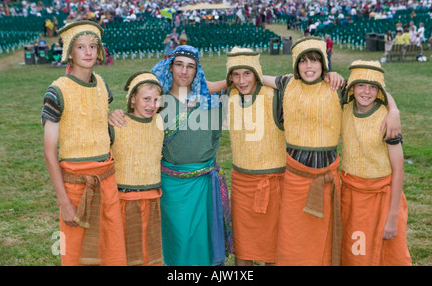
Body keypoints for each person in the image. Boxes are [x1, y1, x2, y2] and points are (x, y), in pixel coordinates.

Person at [262, 36, 401, 266]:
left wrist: (393, 108)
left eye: (315, 61)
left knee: (324, 242)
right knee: (293, 241)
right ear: (296, 64)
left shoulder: (337, 87)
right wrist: (222, 83)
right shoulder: (287, 83)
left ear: (324, 64)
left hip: (327, 179)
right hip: (296, 179)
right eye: (303, 61)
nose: (309, 66)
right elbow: (255, 79)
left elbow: (370, 86)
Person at [108, 45, 233, 266]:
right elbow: (136, 114)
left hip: (204, 183)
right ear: (170, 67)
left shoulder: (211, 100)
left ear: (197, 71)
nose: (184, 72)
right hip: (170, 186)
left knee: (203, 243)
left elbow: (243, 82)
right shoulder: (158, 103)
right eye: (179, 65)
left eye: (190, 67)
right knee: (176, 241)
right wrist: (115, 113)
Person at [42, 20, 127, 266]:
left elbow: (98, 125)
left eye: (93, 46)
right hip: (76, 186)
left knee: (111, 252)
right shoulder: (57, 91)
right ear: (70, 51)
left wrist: (112, 118)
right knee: (77, 255)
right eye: (81, 47)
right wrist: (64, 202)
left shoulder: (102, 84)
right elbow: (49, 152)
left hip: (107, 181)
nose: (88, 52)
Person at [340, 60, 412, 266]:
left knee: (390, 256)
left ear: (379, 90)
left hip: (383, 198)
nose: (366, 91)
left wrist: (392, 217)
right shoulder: (344, 109)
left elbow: (398, 170)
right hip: (353, 197)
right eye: (361, 85)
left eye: (373, 87)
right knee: (356, 254)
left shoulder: (387, 118)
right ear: (352, 87)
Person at [223, 47, 286, 266]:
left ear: (257, 73)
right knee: (244, 247)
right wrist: (226, 83)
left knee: (273, 248)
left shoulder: (275, 96)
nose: (241, 80)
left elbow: (300, 81)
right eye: (235, 74)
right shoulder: (228, 95)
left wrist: (391, 107)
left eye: (247, 73)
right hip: (242, 183)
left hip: (275, 182)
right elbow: (190, 88)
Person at [109, 71, 164, 266]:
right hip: (125, 201)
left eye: (157, 99)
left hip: (152, 199)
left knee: (151, 254)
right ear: (133, 99)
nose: (152, 105)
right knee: (125, 254)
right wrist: (109, 114)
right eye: (146, 99)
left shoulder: (160, 122)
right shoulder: (118, 123)